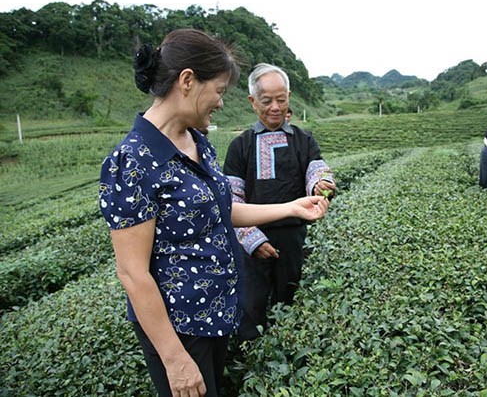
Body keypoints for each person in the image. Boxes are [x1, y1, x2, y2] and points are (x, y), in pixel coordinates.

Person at [98, 30, 329, 397]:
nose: (221, 103)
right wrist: (174, 359)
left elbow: (221, 210)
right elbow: (131, 272)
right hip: (180, 329)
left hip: (217, 313)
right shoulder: (132, 162)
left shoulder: (197, 141)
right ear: (187, 81)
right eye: (219, 90)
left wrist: (291, 206)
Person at [223, 63, 336, 341]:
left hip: (292, 237)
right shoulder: (241, 146)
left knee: (290, 299)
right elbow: (232, 199)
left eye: (281, 99)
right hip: (253, 242)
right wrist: (252, 239)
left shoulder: (303, 139)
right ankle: (252, 363)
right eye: (266, 101)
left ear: (289, 97)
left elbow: (316, 170)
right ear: (252, 102)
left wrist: (322, 185)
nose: (275, 107)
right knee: (252, 307)